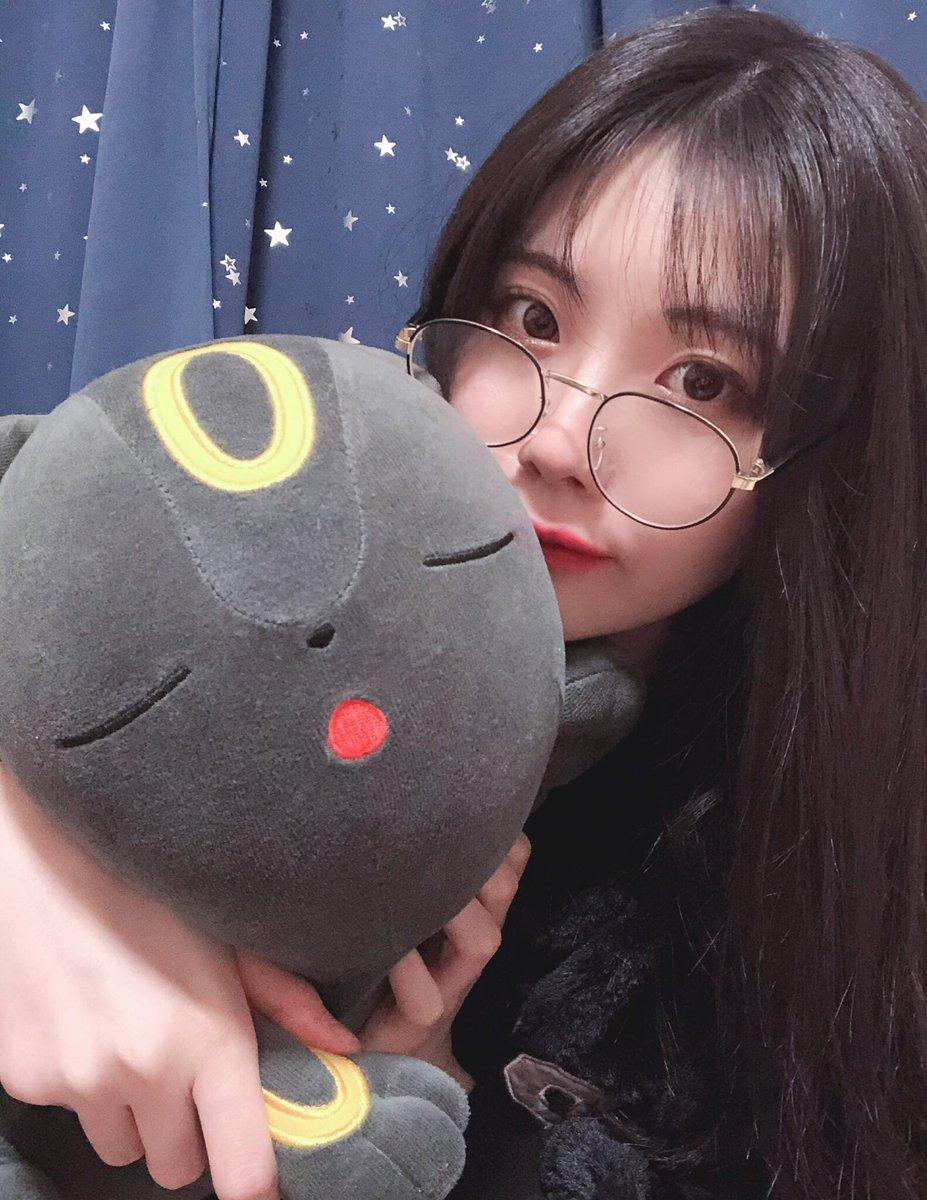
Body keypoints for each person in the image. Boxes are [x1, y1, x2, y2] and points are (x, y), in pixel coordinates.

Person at [1, 6, 925, 1197]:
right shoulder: (264, 557)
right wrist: (35, 872)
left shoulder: (814, 931)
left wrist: (407, 1111)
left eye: (703, 381)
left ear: (833, 465)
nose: (560, 438)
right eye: (533, 317)